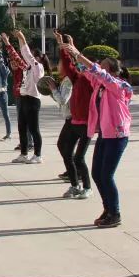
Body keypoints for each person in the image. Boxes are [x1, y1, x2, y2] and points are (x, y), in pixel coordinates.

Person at [63, 42, 133, 228]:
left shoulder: (119, 85)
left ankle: (115, 213)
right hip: (104, 134)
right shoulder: (100, 85)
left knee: (107, 175)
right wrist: (70, 52)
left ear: (111, 70)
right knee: (96, 173)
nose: (99, 68)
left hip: (117, 135)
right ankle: (108, 209)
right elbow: (86, 71)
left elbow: (97, 72)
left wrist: (78, 53)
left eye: (103, 66)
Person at [56, 32, 92, 199]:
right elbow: (69, 64)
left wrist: (75, 51)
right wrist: (62, 47)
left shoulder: (90, 80)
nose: (77, 68)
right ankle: (74, 185)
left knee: (78, 157)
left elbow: (85, 65)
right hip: (73, 122)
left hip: (86, 124)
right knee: (65, 149)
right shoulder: (76, 78)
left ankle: (87, 187)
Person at [3, 31, 46, 164]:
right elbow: (20, 55)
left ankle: (38, 155)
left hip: (33, 100)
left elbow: (26, 54)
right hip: (24, 98)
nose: (30, 57)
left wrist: (22, 37)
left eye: (34, 56)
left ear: (38, 58)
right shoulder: (27, 68)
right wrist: (12, 42)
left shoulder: (38, 67)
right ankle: (24, 154)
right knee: (22, 127)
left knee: (34, 129)